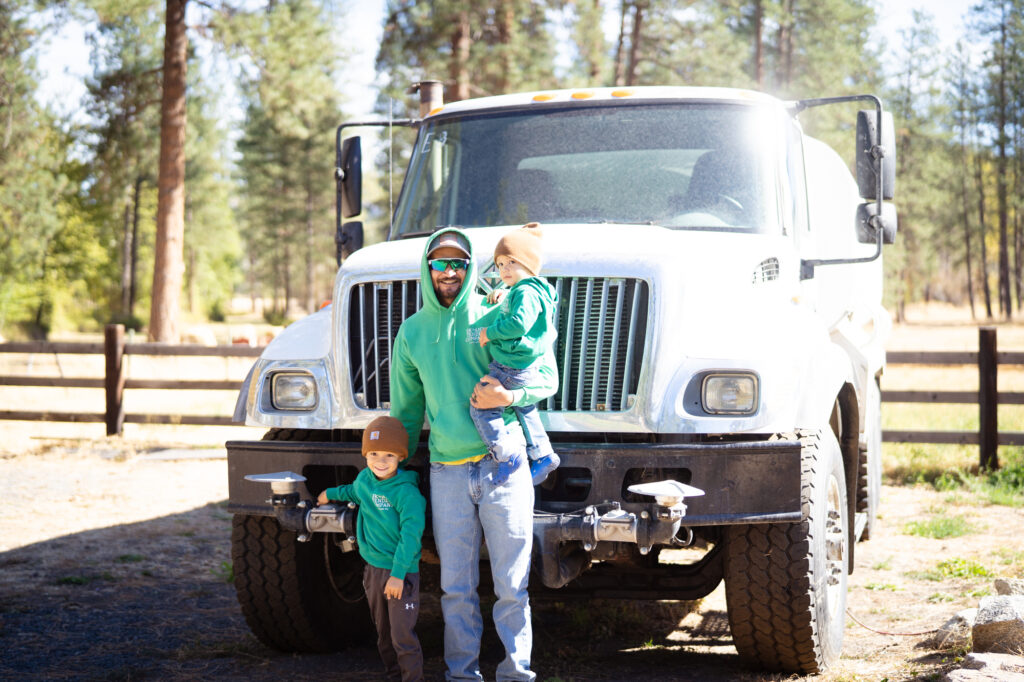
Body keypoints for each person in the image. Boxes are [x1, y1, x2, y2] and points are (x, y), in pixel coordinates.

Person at [390, 228, 557, 682]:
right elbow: (406, 412)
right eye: (440, 263)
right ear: (427, 268)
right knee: (455, 589)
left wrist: (507, 395)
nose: (449, 271)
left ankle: (515, 674)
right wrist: (394, 474)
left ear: (470, 268)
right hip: (447, 472)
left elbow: (546, 377)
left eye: (459, 263)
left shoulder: (497, 311)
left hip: (504, 466)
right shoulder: (412, 333)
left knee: (511, 587)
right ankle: (461, 674)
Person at [316, 415, 426, 682]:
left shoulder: (407, 494)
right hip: (373, 570)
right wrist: (329, 493)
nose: (380, 460)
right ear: (365, 454)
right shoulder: (366, 479)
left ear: (401, 457)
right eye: (373, 453)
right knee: (384, 634)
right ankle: (393, 675)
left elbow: (410, 538)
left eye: (389, 454)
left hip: (400, 574)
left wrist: (399, 575)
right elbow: (354, 492)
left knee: (403, 637)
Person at [470, 222, 560, 486]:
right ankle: (543, 453)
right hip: (523, 366)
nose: (504, 269)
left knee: (481, 407)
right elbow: (521, 303)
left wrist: (489, 333)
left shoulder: (526, 292)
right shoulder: (531, 290)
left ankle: (506, 457)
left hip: (510, 364)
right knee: (524, 405)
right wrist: (504, 293)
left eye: (511, 262)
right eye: (499, 265)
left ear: (529, 264)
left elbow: (519, 324)